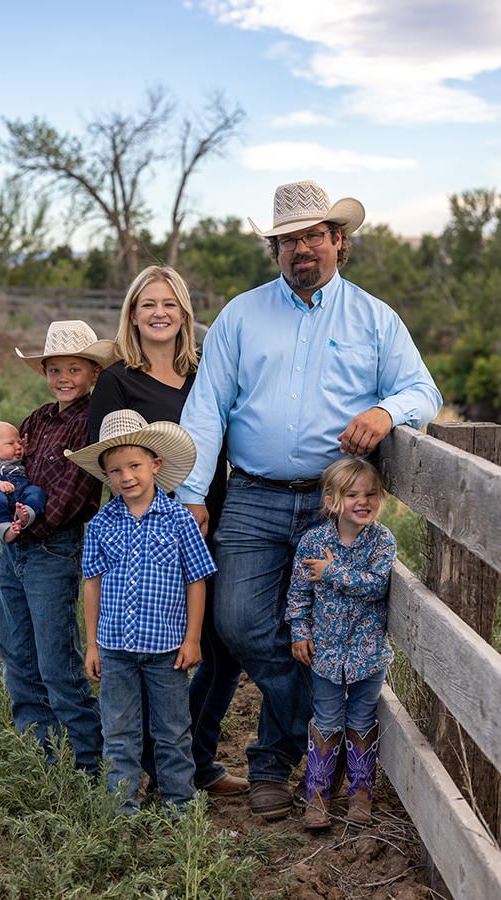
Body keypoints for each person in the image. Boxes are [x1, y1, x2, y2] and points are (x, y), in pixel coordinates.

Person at [174, 179, 443, 820]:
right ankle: (336, 733)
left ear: (337, 242)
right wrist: (190, 493)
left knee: (318, 628)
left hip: (334, 506)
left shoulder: (375, 318)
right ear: (275, 249)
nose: (302, 249)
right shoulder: (241, 315)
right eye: (288, 239)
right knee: (239, 622)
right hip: (253, 495)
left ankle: (271, 766)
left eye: (313, 236)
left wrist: (386, 409)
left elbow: (422, 391)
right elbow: (207, 408)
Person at [88, 265, 247, 798]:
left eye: (169, 303)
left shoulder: (206, 372)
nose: (159, 313)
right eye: (147, 303)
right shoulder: (118, 381)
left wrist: (206, 506)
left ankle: (190, 758)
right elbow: (115, 467)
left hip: (217, 516)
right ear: (132, 315)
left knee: (220, 643)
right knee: (151, 650)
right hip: (151, 537)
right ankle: (159, 766)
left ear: (184, 313)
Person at [0, 320, 116, 775]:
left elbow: (71, 495)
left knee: (57, 663)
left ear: (93, 373)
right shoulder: (35, 420)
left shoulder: (92, 423)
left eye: (74, 368)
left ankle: (92, 765)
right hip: (16, 553)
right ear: (45, 373)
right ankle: (44, 765)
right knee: (16, 656)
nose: (63, 378)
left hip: (54, 548)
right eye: (54, 369)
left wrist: (13, 526)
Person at [65, 409, 217, 815]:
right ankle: (121, 811)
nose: (126, 477)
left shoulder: (180, 520)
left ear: (156, 465)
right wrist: (93, 644)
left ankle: (179, 808)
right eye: (114, 471)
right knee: (118, 731)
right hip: (114, 648)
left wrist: (192, 638)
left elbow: (196, 581)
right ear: (106, 477)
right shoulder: (101, 525)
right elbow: (92, 584)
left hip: (167, 648)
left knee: (171, 730)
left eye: (134, 465)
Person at [285, 458, 395, 829]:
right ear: (332, 500)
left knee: (362, 718)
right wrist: (300, 630)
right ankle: (317, 793)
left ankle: (360, 792)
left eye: (371, 494)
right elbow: (299, 592)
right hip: (327, 652)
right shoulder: (313, 541)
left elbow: (376, 585)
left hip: (368, 653)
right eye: (352, 495)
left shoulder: (382, 541)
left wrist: (333, 572)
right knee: (328, 717)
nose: (363, 501)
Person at [0, 420, 47, 543]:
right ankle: (5, 530)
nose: (18, 447)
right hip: (1, 495)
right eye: (11, 443)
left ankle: (26, 515)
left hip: (22, 494)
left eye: (19, 443)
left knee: (36, 492)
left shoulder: (17, 460)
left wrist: (27, 453)